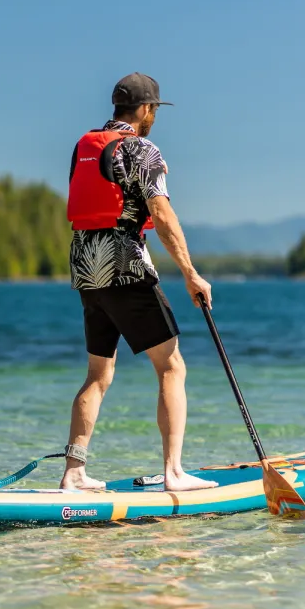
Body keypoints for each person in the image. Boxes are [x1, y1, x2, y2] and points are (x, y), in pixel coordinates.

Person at [61, 72, 218, 493]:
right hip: (125, 264)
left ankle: (73, 473)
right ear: (147, 110)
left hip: (84, 266)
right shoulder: (143, 148)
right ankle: (174, 472)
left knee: (98, 373)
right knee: (171, 365)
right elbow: (162, 215)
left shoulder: (84, 146)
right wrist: (191, 274)